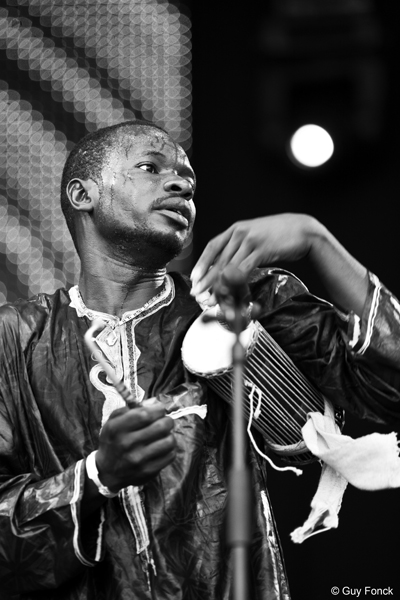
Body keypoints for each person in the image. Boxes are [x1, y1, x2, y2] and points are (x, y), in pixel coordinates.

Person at [0, 119, 400, 600]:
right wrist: (96, 476)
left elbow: (391, 385)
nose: (180, 183)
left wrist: (316, 239)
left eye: (188, 181)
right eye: (151, 167)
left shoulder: (242, 303)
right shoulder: (15, 336)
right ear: (83, 195)